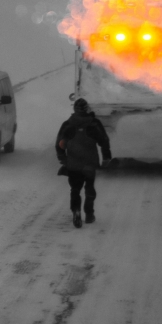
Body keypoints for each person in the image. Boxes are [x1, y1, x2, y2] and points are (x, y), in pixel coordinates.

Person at [55, 98, 112, 228]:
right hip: (89, 163)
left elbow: (59, 144)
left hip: (73, 164)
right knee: (89, 188)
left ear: (74, 109)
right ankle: (89, 214)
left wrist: (63, 158)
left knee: (75, 189)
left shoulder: (67, 124)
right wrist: (106, 157)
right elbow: (104, 141)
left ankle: (76, 211)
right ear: (87, 109)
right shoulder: (94, 124)